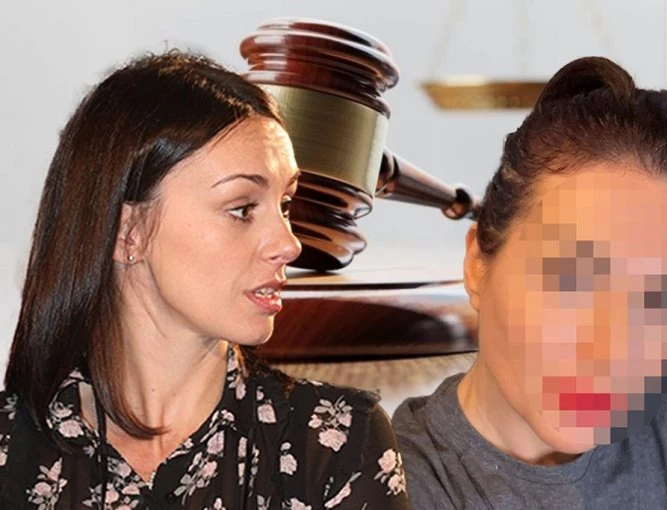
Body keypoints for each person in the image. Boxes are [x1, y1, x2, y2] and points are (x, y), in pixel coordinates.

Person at [0, 52, 409, 509]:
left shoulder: (336, 444)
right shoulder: (9, 452)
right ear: (128, 232)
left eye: (285, 205)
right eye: (242, 208)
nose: (289, 243)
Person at [392, 56, 667, 509]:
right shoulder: (392, 486)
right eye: (574, 278)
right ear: (478, 264)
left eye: (659, 297)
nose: (612, 347)